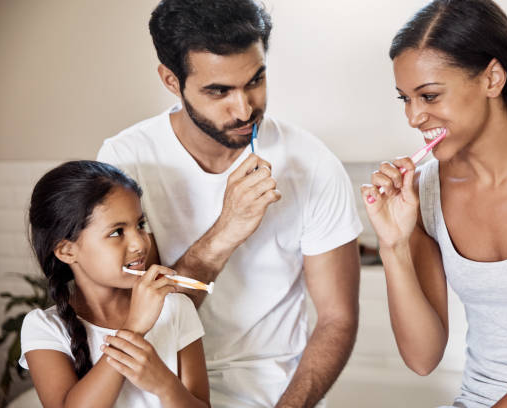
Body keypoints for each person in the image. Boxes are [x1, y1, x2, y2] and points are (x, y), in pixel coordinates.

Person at [96, 0, 363, 406]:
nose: (244, 109)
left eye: (255, 81)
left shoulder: (313, 162)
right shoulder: (125, 161)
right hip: (159, 387)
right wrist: (225, 232)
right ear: (171, 79)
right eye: (218, 91)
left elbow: (337, 320)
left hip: (276, 392)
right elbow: (128, 317)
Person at [361, 0, 507, 407]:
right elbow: (422, 358)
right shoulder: (424, 191)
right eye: (405, 98)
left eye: (430, 96)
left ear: (492, 78)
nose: (414, 117)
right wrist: (393, 245)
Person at [19, 160, 210, 408]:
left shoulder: (175, 308)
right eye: (117, 232)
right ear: (67, 251)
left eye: (140, 225)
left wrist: (164, 384)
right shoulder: (44, 328)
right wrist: (133, 329)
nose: (140, 244)